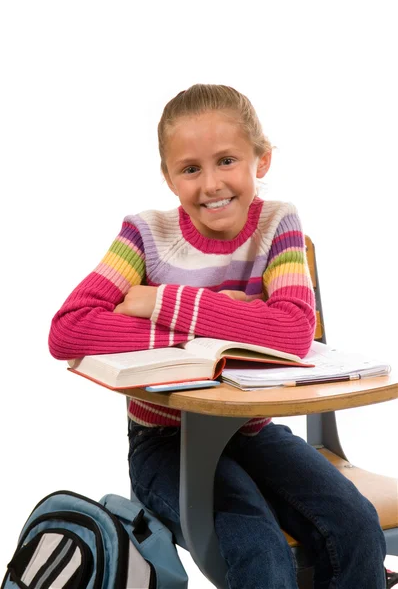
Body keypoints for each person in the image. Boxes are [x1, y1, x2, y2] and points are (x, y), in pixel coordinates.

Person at [49, 84, 388, 588]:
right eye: (190, 169)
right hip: (166, 445)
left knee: (357, 525)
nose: (211, 184)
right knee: (259, 549)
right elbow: (69, 329)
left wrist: (160, 302)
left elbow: (293, 331)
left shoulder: (279, 224)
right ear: (169, 177)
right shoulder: (144, 235)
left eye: (227, 160)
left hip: (252, 433)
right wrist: (231, 317)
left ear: (261, 159)